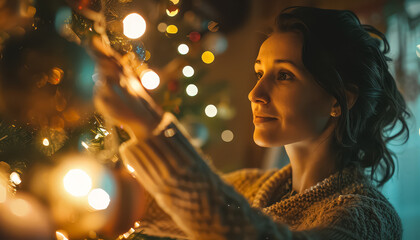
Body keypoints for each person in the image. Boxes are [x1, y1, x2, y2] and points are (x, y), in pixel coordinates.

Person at [93, 6, 410, 240]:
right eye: (260, 73)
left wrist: (150, 126)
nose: (255, 93)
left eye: (284, 75)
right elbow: (136, 203)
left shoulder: (370, 218)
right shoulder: (249, 188)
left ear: (340, 99)